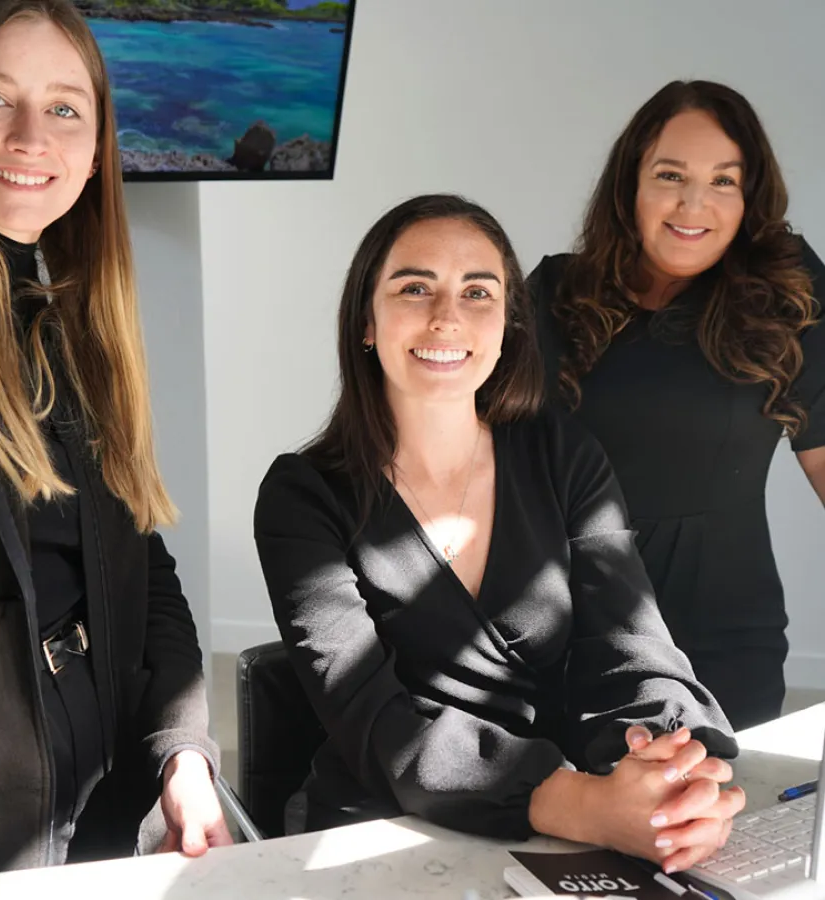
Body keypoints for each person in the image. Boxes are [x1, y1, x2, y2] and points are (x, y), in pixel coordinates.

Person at [254, 194, 745, 873]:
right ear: (367, 319)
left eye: (477, 292)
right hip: (378, 834)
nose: (446, 316)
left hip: (551, 827)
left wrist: (673, 770)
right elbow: (376, 722)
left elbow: (632, 644)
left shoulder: (561, 454)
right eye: (414, 287)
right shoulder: (302, 496)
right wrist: (578, 803)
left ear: (509, 324)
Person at [0, 0, 228, 878]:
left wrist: (184, 752)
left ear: (97, 152)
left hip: (95, 826)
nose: (32, 136)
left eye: (64, 108)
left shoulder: (67, 325)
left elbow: (140, 561)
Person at [528, 80, 825, 731]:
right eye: (671, 175)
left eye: (725, 180)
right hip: (565, 632)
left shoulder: (789, 291)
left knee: (709, 831)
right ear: (629, 184)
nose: (696, 203)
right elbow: (482, 460)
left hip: (719, 642)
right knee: (558, 829)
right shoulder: (555, 292)